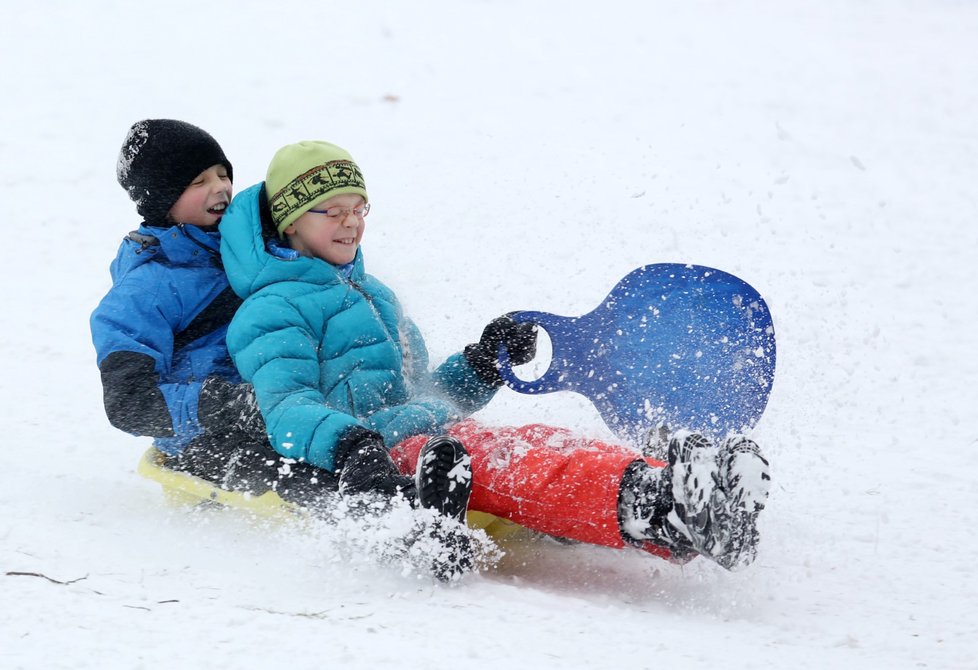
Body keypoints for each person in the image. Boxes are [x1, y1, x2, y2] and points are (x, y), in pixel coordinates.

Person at [217, 140, 772, 572]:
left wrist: (482, 363)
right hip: (381, 457)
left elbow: (423, 393)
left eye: (358, 207)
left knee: (536, 439)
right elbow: (285, 408)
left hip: (431, 431)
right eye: (330, 211)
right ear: (290, 221)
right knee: (515, 464)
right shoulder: (272, 309)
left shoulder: (376, 294)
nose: (351, 222)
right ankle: (657, 508)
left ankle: (677, 486)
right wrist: (350, 444)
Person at [90, 122, 472, 546]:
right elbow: (128, 403)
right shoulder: (144, 292)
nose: (219, 188)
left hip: (299, 400)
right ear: (161, 199)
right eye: (198, 182)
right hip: (210, 436)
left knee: (352, 434)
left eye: (222, 174)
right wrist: (229, 405)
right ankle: (396, 524)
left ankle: (433, 490)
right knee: (300, 470)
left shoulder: (248, 251)